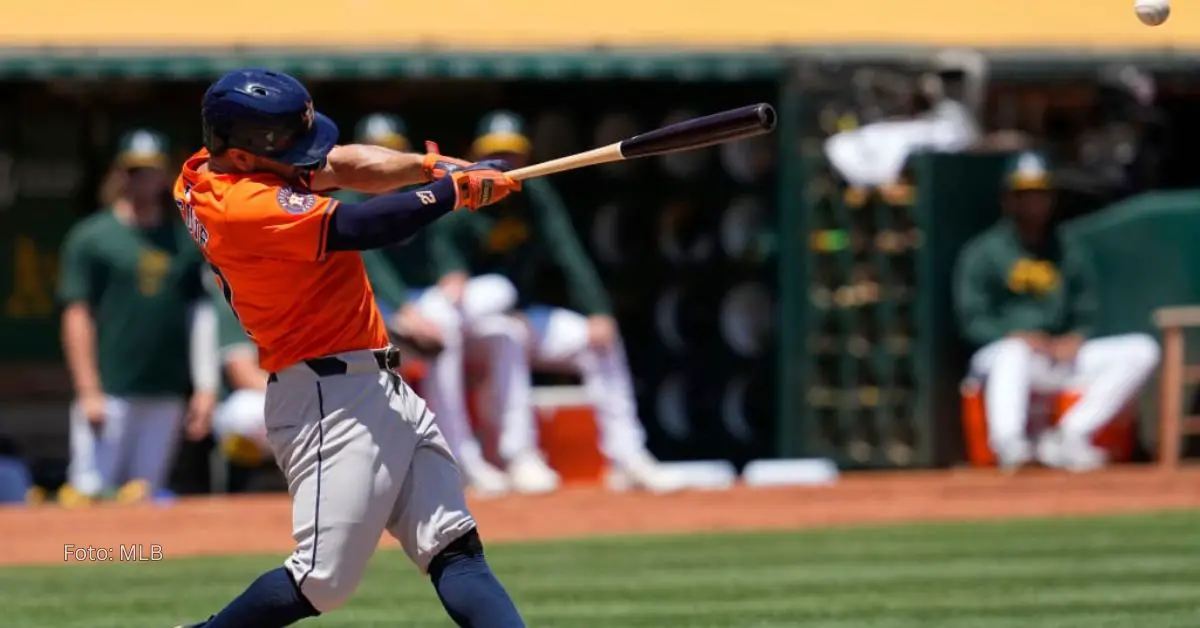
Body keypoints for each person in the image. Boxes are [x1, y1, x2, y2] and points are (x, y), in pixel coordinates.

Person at [173, 69, 524, 628]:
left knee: (453, 547)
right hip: (327, 401)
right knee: (321, 582)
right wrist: (451, 194)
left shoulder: (215, 162)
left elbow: (341, 165)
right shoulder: (241, 208)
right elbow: (362, 224)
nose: (308, 159)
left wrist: (433, 167)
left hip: (376, 384)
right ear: (241, 157)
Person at [425, 111, 682, 494]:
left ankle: (629, 456)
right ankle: (516, 455)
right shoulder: (461, 195)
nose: (505, 165)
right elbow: (448, 268)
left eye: (512, 156)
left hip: (523, 316)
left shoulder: (535, 195)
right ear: (474, 157)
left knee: (597, 340)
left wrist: (597, 310)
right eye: (495, 156)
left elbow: (568, 253)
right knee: (502, 325)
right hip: (467, 326)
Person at [344, 112, 525, 496]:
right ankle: (459, 456)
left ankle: (515, 453)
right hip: (369, 316)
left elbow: (444, 247)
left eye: (391, 154)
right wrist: (408, 313)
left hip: (427, 308)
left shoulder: (416, 195)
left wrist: (452, 274)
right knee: (441, 323)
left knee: (501, 326)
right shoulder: (347, 202)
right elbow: (367, 265)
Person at [953, 151, 1160, 472]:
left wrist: (1075, 338)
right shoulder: (984, 252)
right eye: (1024, 195)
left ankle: (1069, 436)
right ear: (1008, 199)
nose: (1034, 203)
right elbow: (972, 321)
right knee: (1014, 352)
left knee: (1141, 350)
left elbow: (1086, 311)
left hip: (1054, 357)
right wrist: (1015, 334)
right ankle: (1010, 446)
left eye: (1040, 194)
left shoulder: (1067, 248)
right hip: (999, 361)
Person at [56, 129, 218, 507]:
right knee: (89, 494)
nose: (142, 179)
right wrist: (88, 389)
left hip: (165, 390)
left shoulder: (184, 240)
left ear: (164, 175)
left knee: (145, 499)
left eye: (150, 170)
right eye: (133, 170)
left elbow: (202, 316)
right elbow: (76, 314)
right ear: (119, 173)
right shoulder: (92, 237)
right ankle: (83, 563)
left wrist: (206, 386)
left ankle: (134, 562)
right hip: (110, 391)